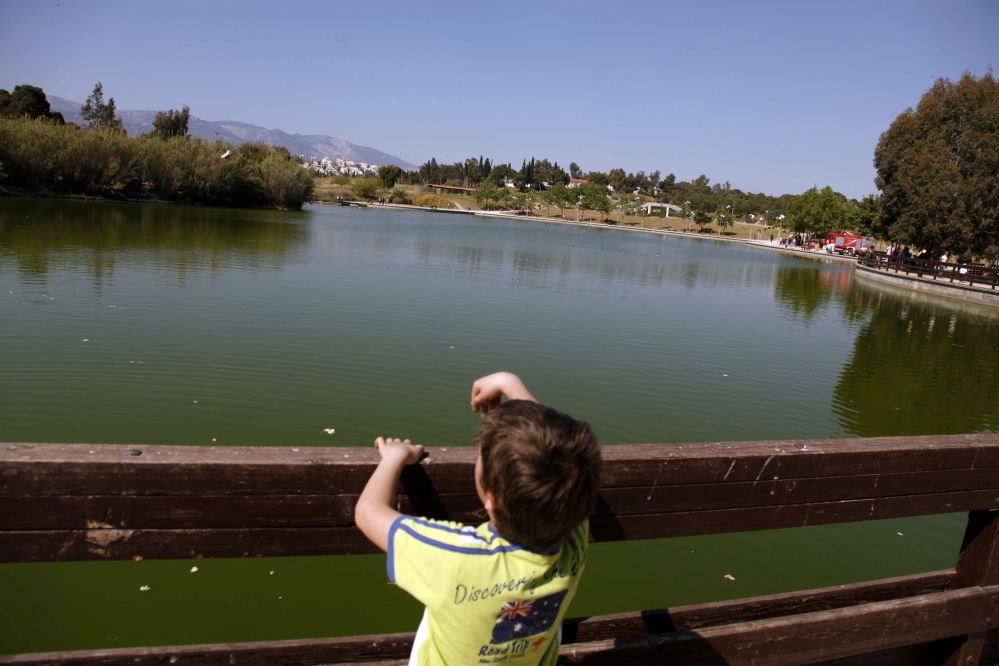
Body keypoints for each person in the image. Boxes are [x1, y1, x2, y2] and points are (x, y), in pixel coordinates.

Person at [354, 372, 602, 665]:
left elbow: (368, 512)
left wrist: (394, 456)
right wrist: (511, 385)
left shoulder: (458, 558)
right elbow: (560, 461)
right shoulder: (572, 538)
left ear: (491, 498)